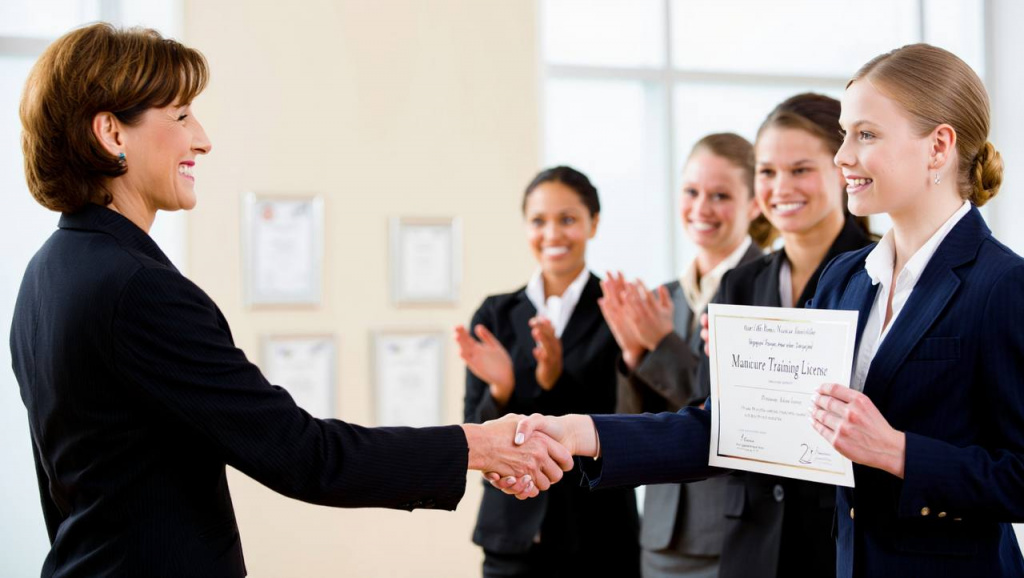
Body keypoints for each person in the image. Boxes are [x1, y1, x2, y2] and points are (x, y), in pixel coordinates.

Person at [10, 23, 569, 577]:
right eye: (180, 116)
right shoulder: (139, 289)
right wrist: (476, 445)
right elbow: (303, 455)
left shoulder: (46, 274)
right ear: (112, 133)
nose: (202, 139)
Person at [510, 44, 1024, 577]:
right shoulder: (846, 277)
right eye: (844, 134)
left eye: (866, 135)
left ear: (938, 147)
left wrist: (897, 451)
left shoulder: (1003, 285)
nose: (843, 156)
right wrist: (584, 434)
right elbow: (734, 426)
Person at [456, 166, 640, 578]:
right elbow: (475, 428)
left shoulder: (618, 309)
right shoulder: (495, 314)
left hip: (599, 536)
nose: (552, 234)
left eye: (567, 219)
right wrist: (502, 388)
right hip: (511, 538)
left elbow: (628, 421)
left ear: (594, 223)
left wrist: (554, 378)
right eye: (539, 221)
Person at [599, 133, 767, 578]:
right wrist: (634, 357)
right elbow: (632, 422)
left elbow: (735, 415)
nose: (701, 208)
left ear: (754, 203)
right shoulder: (664, 298)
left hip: (732, 532)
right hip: (660, 535)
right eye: (691, 191)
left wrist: (662, 345)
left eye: (720, 195)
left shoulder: (767, 291)